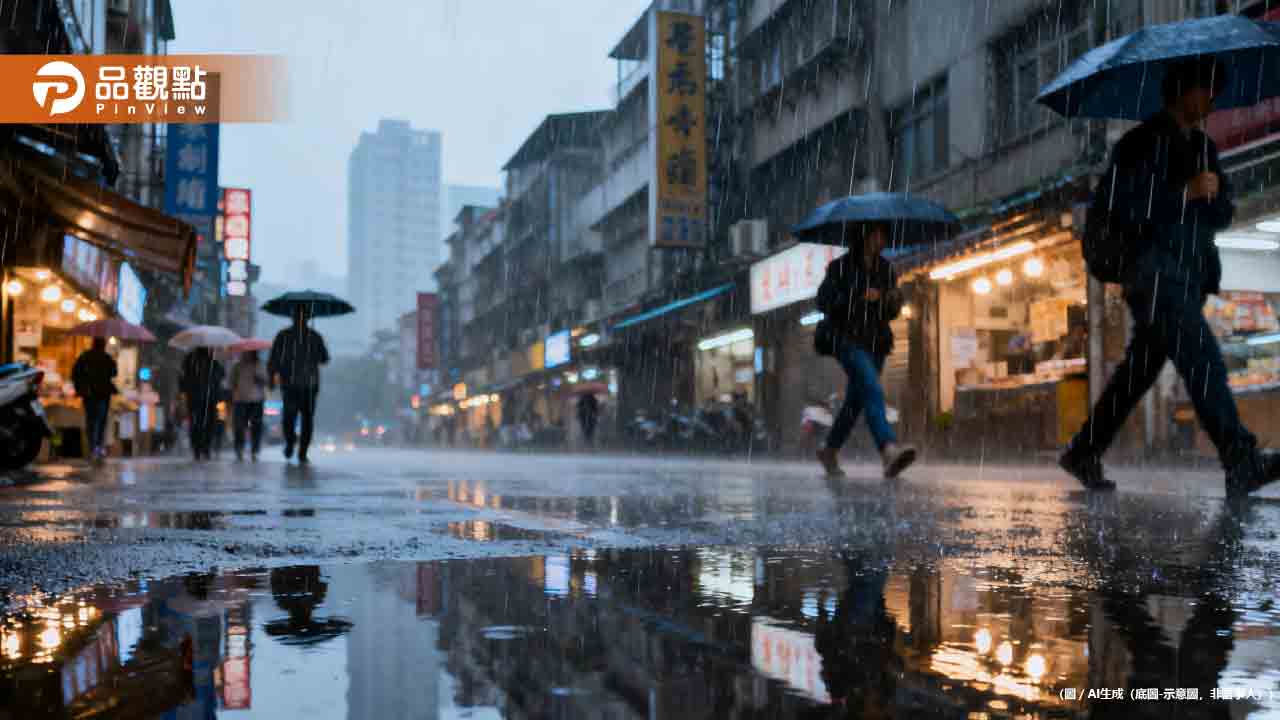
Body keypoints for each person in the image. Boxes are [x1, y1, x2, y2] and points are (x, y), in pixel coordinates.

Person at [1060, 58, 1280, 495]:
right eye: (1206, 89)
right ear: (1182, 90)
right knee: (1202, 358)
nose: (1212, 100)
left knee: (1139, 371)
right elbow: (1127, 211)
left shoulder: (1203, 147)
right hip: (1152, 273)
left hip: (1187, 273)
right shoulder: (1139, 145)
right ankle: (1241, 458)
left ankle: (1085, 448)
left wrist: (1211, 195)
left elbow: (1221, 214)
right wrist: (1184, 193)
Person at [814, 222, 917, 480]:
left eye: (883, 235)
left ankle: (829, 449)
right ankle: (888, 449)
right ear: (862, 237)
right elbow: (824, 301)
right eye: (874, 234)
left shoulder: (886, 269)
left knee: (855, 402)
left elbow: (893, 309)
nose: (879, 240)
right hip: (846, 339)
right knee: (872, 388)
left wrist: (887, 299)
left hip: (876, 341)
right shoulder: (839, 268)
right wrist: (858, 295)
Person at [268, 307, 330, 464]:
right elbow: (324, 359)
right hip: (304, 383)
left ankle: (296, 446)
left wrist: (271, 377)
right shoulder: (313, 336)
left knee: (292, 417)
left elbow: (273, 360)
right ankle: (298, 448)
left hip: (296, 383)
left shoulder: (286, 336)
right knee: (304, 418)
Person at [71, 337, 117, 462]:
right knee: (101, 421)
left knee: (91, 420)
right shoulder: (107, 358)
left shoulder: (84, 357)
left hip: (89, 394)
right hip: (103, 394)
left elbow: (75, 373)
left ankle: (92, 447)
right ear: (103, 345)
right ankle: (98, 446)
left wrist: (80, 387)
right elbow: (114, 372)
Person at [179, 347, 225, 461]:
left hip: (196, 399)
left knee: (197, 424)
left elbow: (183, 379)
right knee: (208, 423)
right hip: (208, 399)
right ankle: (204, 448)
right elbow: (221, 376)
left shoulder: (190, 362)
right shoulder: (212, 363)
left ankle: (198, 448)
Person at [229, 350, 267, 462]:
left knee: (256, 426)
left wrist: (259, 378)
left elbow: (266, 381)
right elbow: (232, 381)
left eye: (250, 353)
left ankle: (255, 450)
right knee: (239, 426)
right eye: (245, 353)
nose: (247, 355)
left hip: (257, 399)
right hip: (240, 399)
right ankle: (239, 448)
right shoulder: (237, 366)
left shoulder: (260, 365)